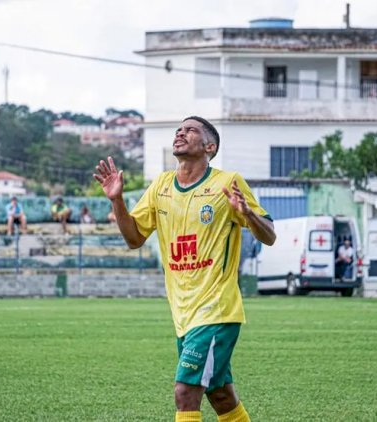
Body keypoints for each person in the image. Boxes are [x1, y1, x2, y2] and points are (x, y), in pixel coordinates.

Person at [94, 116, 276, 422]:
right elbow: (134, 238)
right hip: (183, 314)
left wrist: (248, 214)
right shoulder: (162, 185)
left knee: (185, 392)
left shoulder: (226, 182)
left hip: (216, 310)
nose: (180, 132)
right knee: (220, 395)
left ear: (210, 146)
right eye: (179, 129)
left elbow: (269, 235)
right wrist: (117, 201)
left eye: (190, 129)